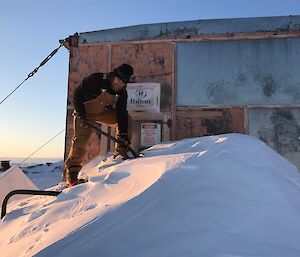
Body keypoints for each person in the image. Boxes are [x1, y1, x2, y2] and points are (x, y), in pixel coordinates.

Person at [64, 63, 134, 187]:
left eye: (123, 83)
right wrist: (81, 114)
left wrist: (123, 134)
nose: (119, 84)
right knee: (80, 141)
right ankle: (72, 176)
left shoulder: (122, 93)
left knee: (127, 121)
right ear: (113, 76)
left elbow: (121, 113)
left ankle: (121, 153)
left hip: (102, 112)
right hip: (85, 113)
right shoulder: (96, 79)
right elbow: (77, 95)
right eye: (118, 80)